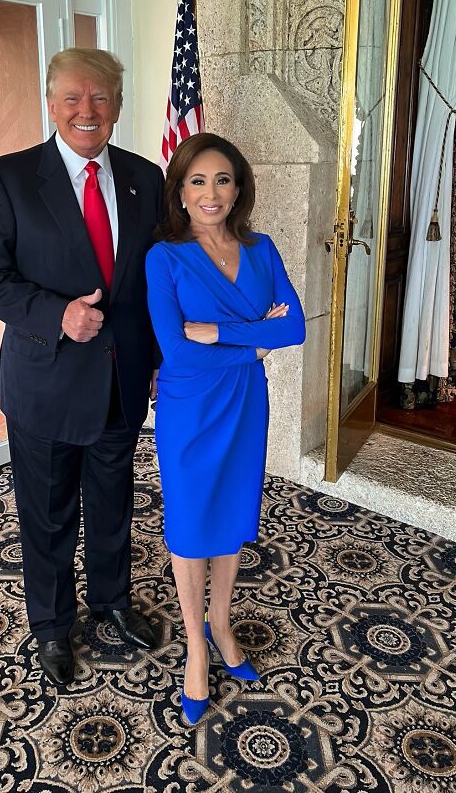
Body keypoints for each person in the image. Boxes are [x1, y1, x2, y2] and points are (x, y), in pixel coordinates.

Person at [0, 48, 164, 686]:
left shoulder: (146, 177)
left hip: (121, 380)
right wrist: (57, 315)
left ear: (117, 106)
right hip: (46, 382)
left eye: (101, 98)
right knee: (48, 513)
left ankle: (110, 601)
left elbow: (151, 281)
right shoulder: (6, 179)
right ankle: (51, 626)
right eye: (73, 98)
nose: (88, 110)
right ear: (51, 104)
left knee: (112, 503)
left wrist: (158, 358)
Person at [145, 132, 306, 724]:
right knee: (190, 524)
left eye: (223, 180)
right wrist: (253, 342)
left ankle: (221, 623)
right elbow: (175, 351)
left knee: (232, 516)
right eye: (197, 181)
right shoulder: (163, 257)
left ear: (239, 189)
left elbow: (295, 330)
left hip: (243, 406)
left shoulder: (262, 250)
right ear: (180, 192)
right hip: (189, 409)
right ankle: (194, 643)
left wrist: (217, 331)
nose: (211, 193)